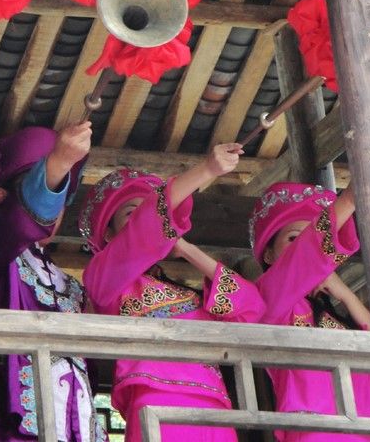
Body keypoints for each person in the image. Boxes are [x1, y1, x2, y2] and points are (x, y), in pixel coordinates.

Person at [81, 144, 264, 442]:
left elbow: (251, 308)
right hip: (156, 403)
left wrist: (188, 250)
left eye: (148, 211)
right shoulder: (103, 278)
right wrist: (205, 171)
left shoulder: (189, 296)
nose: (145, 220)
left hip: (214, 407)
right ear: (110, 235)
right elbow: (143, 231)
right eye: (132, 214)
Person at [0, 122, 108, 442]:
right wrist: (60, 162)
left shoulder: (72, 287)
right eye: (45, 185)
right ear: (2, 197)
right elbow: (15, 225)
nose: (53, 206)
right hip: (13, 424)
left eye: (60, 194)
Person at [250, 182, 370, 442]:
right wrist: (347, 202)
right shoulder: (269, 300)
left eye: (307, 238)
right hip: (315, 429)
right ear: (268, 255)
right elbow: (304, 258)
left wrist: (346, 295)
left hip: (368, 431)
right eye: (294, 239)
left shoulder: (336, 316)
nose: (304, 248)